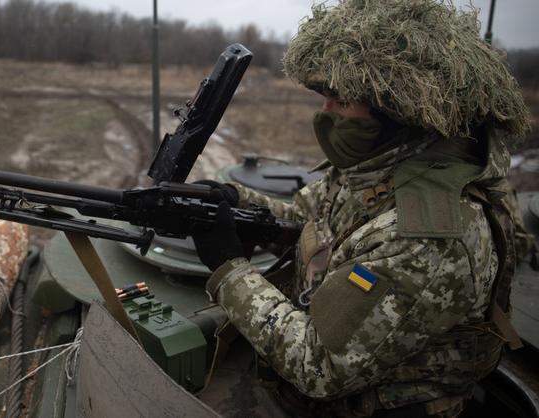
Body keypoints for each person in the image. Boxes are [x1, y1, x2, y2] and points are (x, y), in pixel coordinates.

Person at [191, 1, 532, 417]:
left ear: (398, 112)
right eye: (324, 97)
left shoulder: (426, 236)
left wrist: (230, 270)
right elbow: (311, 217)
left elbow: (317, 366)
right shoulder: (380, 164)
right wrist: (237, 203)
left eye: (341, 100)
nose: (325, 113)